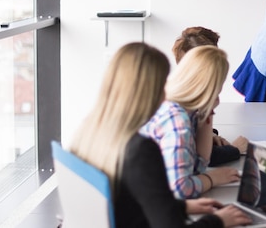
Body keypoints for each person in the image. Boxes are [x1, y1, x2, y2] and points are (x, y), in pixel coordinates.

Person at [68, 42, 251, 227]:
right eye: (163, 82)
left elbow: (127, 201)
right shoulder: (140, 150)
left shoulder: (89, 132)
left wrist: (179, 207)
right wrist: (218, 220)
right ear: (151, 89)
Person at [140, 45, 241, 199]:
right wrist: (213, 179)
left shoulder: (185, 109)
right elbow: (180, 189)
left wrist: (208, 111)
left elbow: (199, 165)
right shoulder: (176, 122)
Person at [172, 26, 249, 166]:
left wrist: (211, 135)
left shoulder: (180, 91)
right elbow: (201, 159)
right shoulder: (182, 108)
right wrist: (235, 149)